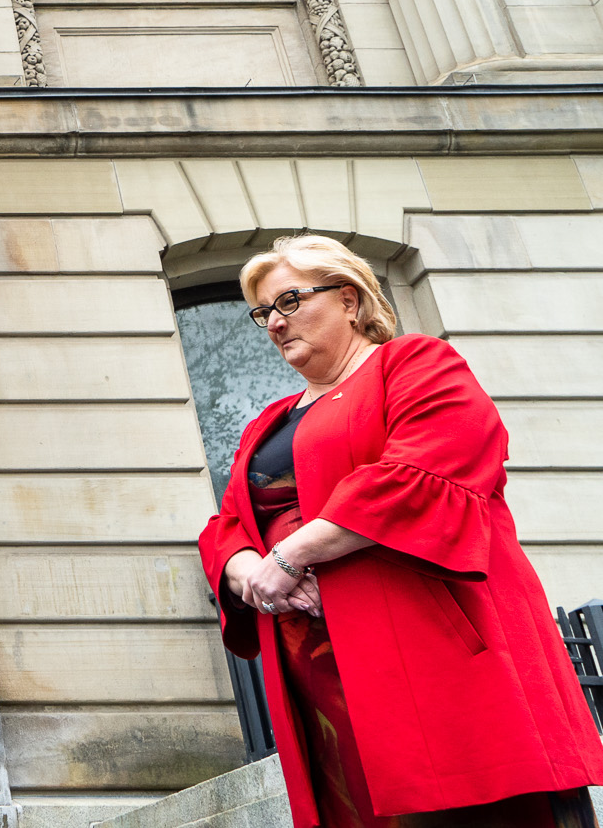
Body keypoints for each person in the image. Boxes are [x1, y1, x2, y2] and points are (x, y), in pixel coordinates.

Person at [199, 234, 603, 828]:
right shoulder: (267, 422)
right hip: (317, 669)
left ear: (349, 300)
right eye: (263, 313)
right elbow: (226, 525)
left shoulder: (415, 364)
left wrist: (290, 555)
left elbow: (422, 472)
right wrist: (254, 573)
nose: (274, 323)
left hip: (425, 644)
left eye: (289, 301)